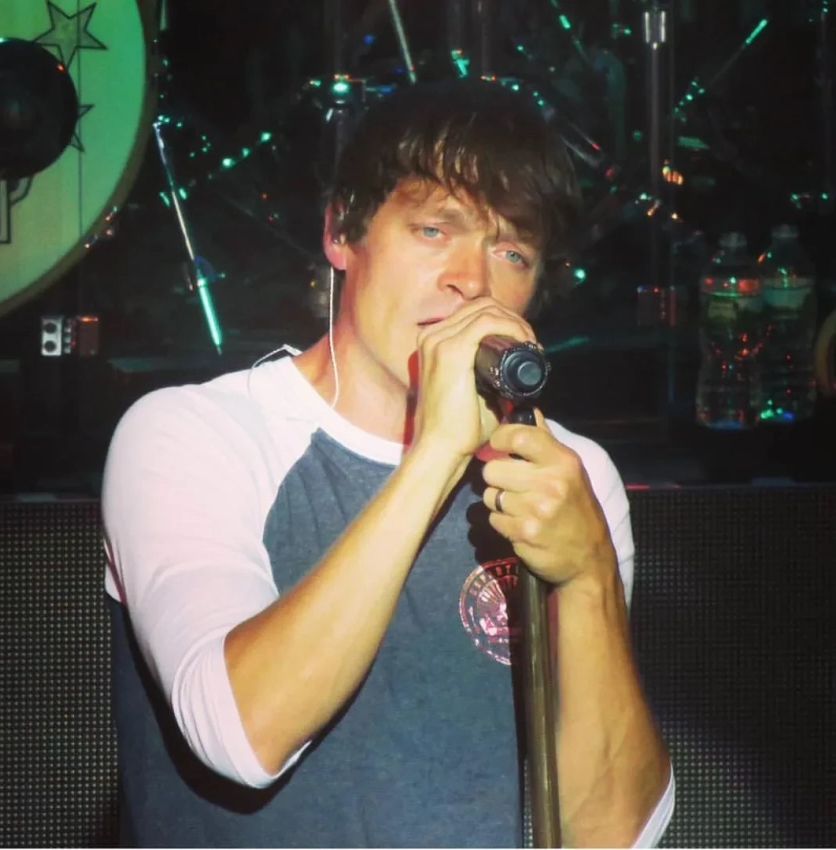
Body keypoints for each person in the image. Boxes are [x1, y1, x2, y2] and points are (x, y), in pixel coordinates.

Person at [101, 78, 675, 847]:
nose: (473, 280)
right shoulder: (196, 434)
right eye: (435, 229)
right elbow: (242, 736)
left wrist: (588, 575)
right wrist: (436, 453)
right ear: (342, 232)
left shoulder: (562, 473)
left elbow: (611, 836)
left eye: (512, 251)